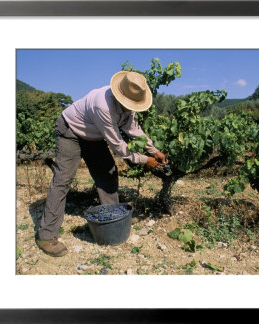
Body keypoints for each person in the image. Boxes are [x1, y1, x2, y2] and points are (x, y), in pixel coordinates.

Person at [35, 71, 168, 257]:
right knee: (63, 180)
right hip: (70, 131)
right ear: (120, 94)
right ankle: (46, 235)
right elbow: (119, 147)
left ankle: (112, 221)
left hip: (92, 135)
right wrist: (146, 160)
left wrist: (154, 151)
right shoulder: (103, 106)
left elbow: (133, 129)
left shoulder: (128, 105)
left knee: (108, 173)